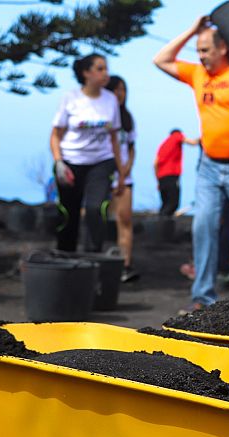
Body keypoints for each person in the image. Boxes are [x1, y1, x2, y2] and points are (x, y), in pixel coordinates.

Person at [154, 16, 229, 312]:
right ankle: (203, 296)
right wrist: (192, 30)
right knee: (204, 225)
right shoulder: (197, 75)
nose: (200, 56)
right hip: (210, 165)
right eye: (198, 50)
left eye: (205, 49)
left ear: (223, 48)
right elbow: (160, 59)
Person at [51, 53, 125, 253]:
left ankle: (93, 257)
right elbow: (56, 135)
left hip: (101, 162)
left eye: (106, 68)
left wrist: (121, 173)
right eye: (100, 68)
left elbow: (114, 139)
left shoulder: (110, 100)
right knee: (69, 213)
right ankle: (65, 256)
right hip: (71, 162)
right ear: (86, 73)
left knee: (96, 209)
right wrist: (59, 162)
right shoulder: (70, 98)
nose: (105, 73)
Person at [105, 75, 139, 282]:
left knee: (125, 220)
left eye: (123, 90)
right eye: (116, 89)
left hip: (124, 177)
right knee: (101, 220)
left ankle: (125, 264)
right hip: (103, 175)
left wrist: (124, 172)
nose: (120, 94)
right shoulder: (102, 117)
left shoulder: (128, 118)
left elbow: (132, 149)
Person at [154, 129, 199, 217]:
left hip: (161, 178)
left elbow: (155, 163)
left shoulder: (163, 145)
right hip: (171, 176)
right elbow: (193, 143)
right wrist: (205, 138)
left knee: (165, 205)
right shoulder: (176, 136)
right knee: (173, 204)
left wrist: (158, 181)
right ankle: (162, 226)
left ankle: (161, 224)